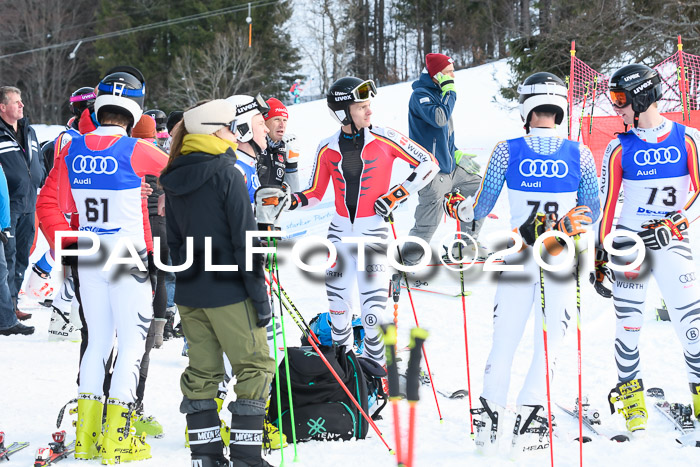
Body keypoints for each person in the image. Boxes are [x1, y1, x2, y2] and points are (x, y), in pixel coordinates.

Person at [444, 72, 600, 456]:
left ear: (526, 109)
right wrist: (563, 224)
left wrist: (454, 206)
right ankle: (531, 423)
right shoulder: (578, 152)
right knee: (549, 345)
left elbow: (477, 207)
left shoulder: (506, 150)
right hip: (560, 260)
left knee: (504, 342)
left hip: (516, 257)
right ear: (560, 107)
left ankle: (487, 425)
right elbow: (592, 209)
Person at [36, 66, 169, 463]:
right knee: (130, 345)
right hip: (127, 255)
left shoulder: (71, 147)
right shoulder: (138, 149)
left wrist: (67, 244)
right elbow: (184, 173)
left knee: (96, 343)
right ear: (135, 110)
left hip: (89, 253)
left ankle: (88, 439)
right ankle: (118, 441)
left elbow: (48, 204)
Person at [276, 77, 438, 369]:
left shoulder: (385, 137)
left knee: (373, 312)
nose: (369, 112)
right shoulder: (327, 147)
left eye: (368, 106)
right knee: (338, 310)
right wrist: (289, 200)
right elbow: (314, 194)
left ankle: (376, 371)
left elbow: (428, 163)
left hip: (372, 232)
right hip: (338, 234)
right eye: (361, 107)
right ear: (343, 112)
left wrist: (394, 196)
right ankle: (345, 369)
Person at [160, 99, 275, 467]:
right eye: (230, 128)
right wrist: (259, 296)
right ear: (214, 132)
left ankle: (206, 458)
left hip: (192, 292)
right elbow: (245, 241)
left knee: (202, 374)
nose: (235, 134)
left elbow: (174, 242)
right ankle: (245, 458)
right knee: (255, 367)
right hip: (230, 291)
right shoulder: (227, 173)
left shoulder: (174, 173)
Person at [594, 63, 700, 432]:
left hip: (672, 242)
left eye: (621, 98)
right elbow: (607, 205)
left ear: (643, 95)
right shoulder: (617, 146)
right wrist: (599, 255)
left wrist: (676, 223)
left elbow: (699, 192)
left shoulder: (688, 138)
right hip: (629, 243)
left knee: (693, 324)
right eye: (612, 98)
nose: (616, 107)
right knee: (629, 325)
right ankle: (631, 397)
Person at [400, 53, 486, 265]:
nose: (452, 77)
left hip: (450, 167)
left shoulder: (441, 94)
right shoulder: (421, 95)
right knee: (428, 222)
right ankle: (405, 265)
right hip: (431, 170)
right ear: (436, 74)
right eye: (448, 72)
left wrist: (455, 153)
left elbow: (442, 135)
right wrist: (451, 92)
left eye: (452, 72)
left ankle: (465, 245)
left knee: (481, 191)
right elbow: (439, 118)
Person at [0, 86, 45, 321]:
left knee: (22, 257)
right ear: (2, 107)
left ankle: (13, 304)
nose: (21, 105)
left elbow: (37, 162)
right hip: (8, 206)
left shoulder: (29, 131)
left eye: (21, 101)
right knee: (6, 257)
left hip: (30, 203)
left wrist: (40, 176)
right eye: (16, 102)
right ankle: (5, 311)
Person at [226, 94, 270, 205]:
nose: (267, 130)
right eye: (261, 124)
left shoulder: (247, 164)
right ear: (242, 129)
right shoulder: (236, 171)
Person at [263, 97, 301, 192]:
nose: (282, 125)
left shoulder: (285, 147)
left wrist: (292, 164)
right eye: (277, 119)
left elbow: (293, 196)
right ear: (264, 121)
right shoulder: (254, 147)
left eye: (285, 120)